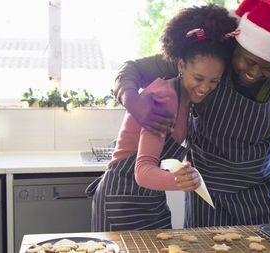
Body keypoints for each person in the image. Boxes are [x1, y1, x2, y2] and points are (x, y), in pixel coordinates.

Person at [114, 0, 270, 227]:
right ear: (237, 44)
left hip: (263, 200)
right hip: (206, 200)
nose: (255, 72)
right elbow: (131, 70)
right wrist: (133, 102)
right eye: (248, 61)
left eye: (269, 68)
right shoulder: (208, 59)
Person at [85, 5, 238, 232]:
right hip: (122, 198)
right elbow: (143, 171)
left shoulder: (185, 99)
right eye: (199, 78)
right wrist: (184, 181)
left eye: (214, 81)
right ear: (181, 66)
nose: (205, 88)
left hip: (151, 199)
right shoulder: (164, 99)